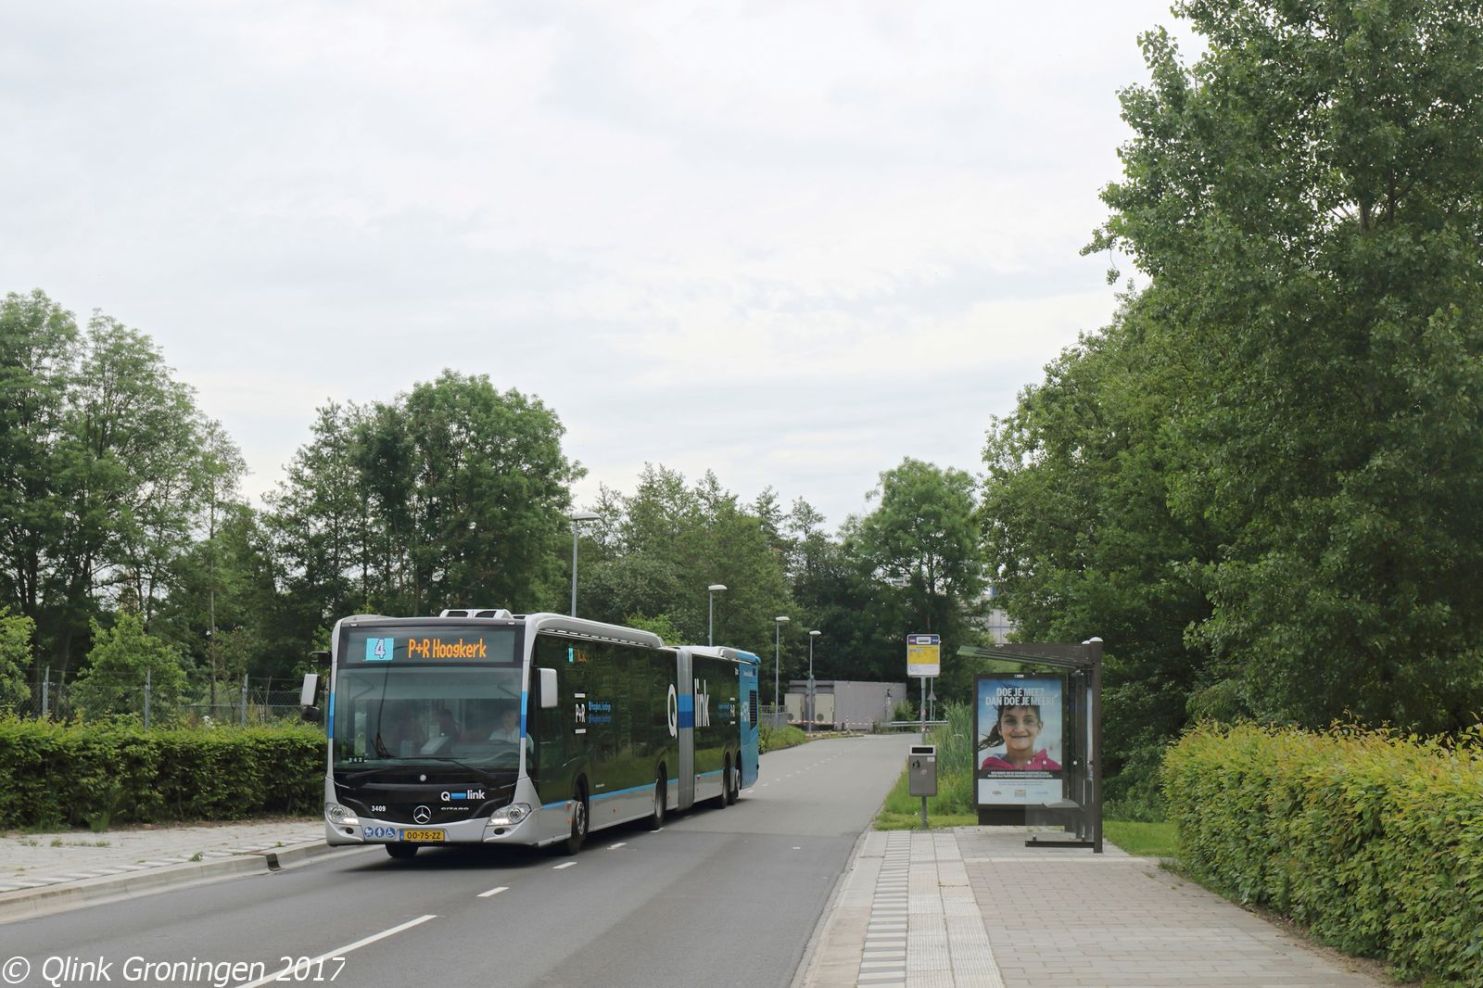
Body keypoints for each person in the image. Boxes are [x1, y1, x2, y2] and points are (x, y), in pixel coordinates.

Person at [980, 701, 1061, 771]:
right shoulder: (989, 769)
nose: (1020, 729)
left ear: (1039, 727)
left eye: (1028, 721)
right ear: (1000, 728)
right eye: (1010, 721)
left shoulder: (1054, 768)